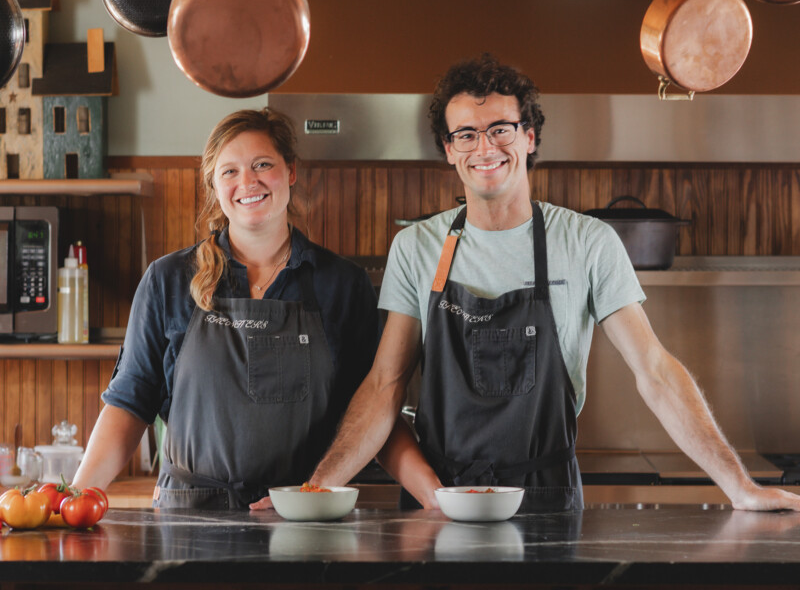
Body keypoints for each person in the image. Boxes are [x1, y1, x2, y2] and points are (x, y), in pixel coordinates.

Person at [303, 54, 800, 513]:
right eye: (467, 135)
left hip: (547, 499)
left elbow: (655, 370)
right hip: (444, 501)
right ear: (450, 151)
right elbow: (384, 386)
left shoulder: (588, 242)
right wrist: (314, 490)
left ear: (530, 136)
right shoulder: (417, 247)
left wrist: (740, 486)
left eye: (501, 129)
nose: (485, 147)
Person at [72, 108, 380, 509]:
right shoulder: (169, 280)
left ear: (291, 171)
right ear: (214, 186)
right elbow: (130, 404)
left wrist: (314, 492)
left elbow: (371, 407)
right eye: (229, 171)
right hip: (189, 521)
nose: (247, 182)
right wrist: (71, 500)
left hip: (301, 518)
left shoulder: (341, 284)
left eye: (262, 165)